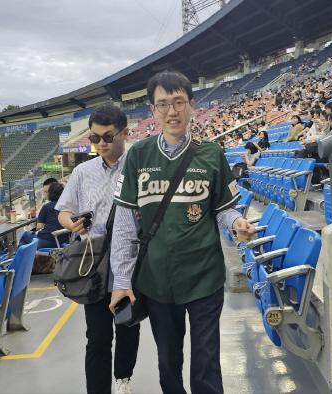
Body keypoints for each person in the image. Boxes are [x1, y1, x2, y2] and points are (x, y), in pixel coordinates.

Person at [109, 70, 255, 394]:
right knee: (168, 362)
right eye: (163, 104)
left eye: (178, 103)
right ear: (153, 111)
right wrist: (121, 281)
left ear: (191, 106)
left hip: (204, 275)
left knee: (205, 362)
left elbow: (223, 209)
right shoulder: (138, 156)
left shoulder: (212, 154)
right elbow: (124, 224)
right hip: (156, 281)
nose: (171, 111)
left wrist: (236, 223)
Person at [55, 105, 140, 394]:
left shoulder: (138, 166)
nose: (101, 144)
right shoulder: (82, 171)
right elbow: (63, 211)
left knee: (128, 328)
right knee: (98, 336)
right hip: (93, 264)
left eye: (108, 136)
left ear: (125, 133)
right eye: (94, 138)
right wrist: (73, 224)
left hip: (130, 260)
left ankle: (123, 379)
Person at [36, 183, 71, 249]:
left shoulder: (46, 207)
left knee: (25, 235)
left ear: (50, 193)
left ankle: (19, 257)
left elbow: (39, 226)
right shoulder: (68, 206)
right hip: (64, 241)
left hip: (47, 241)